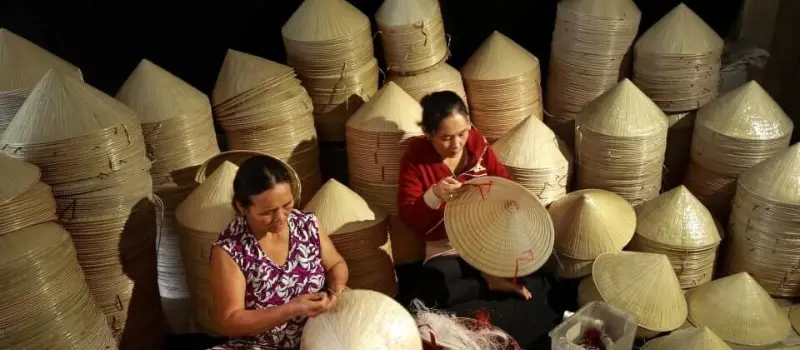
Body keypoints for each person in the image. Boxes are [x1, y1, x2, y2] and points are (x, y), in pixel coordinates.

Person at [397, 91, 563, 348]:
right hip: (448, 247)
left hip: (490, 239)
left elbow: (505, 184)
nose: (456, 144)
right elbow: (409, 216)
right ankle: (486, 282)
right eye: (445, 138)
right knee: (426, 291)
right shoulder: (416, 160)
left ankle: (487, 279)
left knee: (546, 263)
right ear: (428, 134)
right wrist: (433, 195)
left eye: (462, 133)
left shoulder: (478, 147)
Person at [208, 155, 349, 350]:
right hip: (262, 345)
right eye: (267, 212)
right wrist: (291, 309)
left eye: (287, 205)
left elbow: (336, 264)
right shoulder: (230, 250)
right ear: (241, 207)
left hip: (322, 336)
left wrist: (337, 288)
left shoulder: (307, 225)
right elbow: (230, 319)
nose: (280, 218)